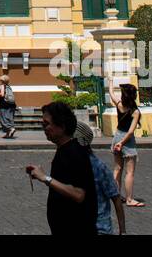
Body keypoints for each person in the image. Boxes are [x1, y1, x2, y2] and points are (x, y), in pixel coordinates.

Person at [26, 102, 98, 236]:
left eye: (46, 124)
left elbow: (79, 194)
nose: (44, 128)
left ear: (62, 126)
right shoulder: (64, 150)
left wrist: (45, 178)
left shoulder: (74, 153)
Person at [74, 120, 125, 234]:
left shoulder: (97, 167)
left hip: (99, 228)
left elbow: (116, 198)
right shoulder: (68, 163)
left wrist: (123, 231)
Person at [111, 83, 144, 207]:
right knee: (130, 172)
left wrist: (110, 82)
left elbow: (111, 94)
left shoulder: (119, 105)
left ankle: (115, 196)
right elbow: (130, 132)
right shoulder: (135, 111)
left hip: (117, 135)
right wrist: (122, 143)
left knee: (117, 169)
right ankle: (129, 199)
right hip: (127, 141)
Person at [0, 74, 17, 138]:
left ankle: (11, 129)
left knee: (4, 118)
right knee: (10, 118)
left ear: (2, 80)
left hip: (4, 104)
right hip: (12, 104)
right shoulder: (9, 87)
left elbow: (2, 95)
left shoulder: (2, 86)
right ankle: (8, 133)